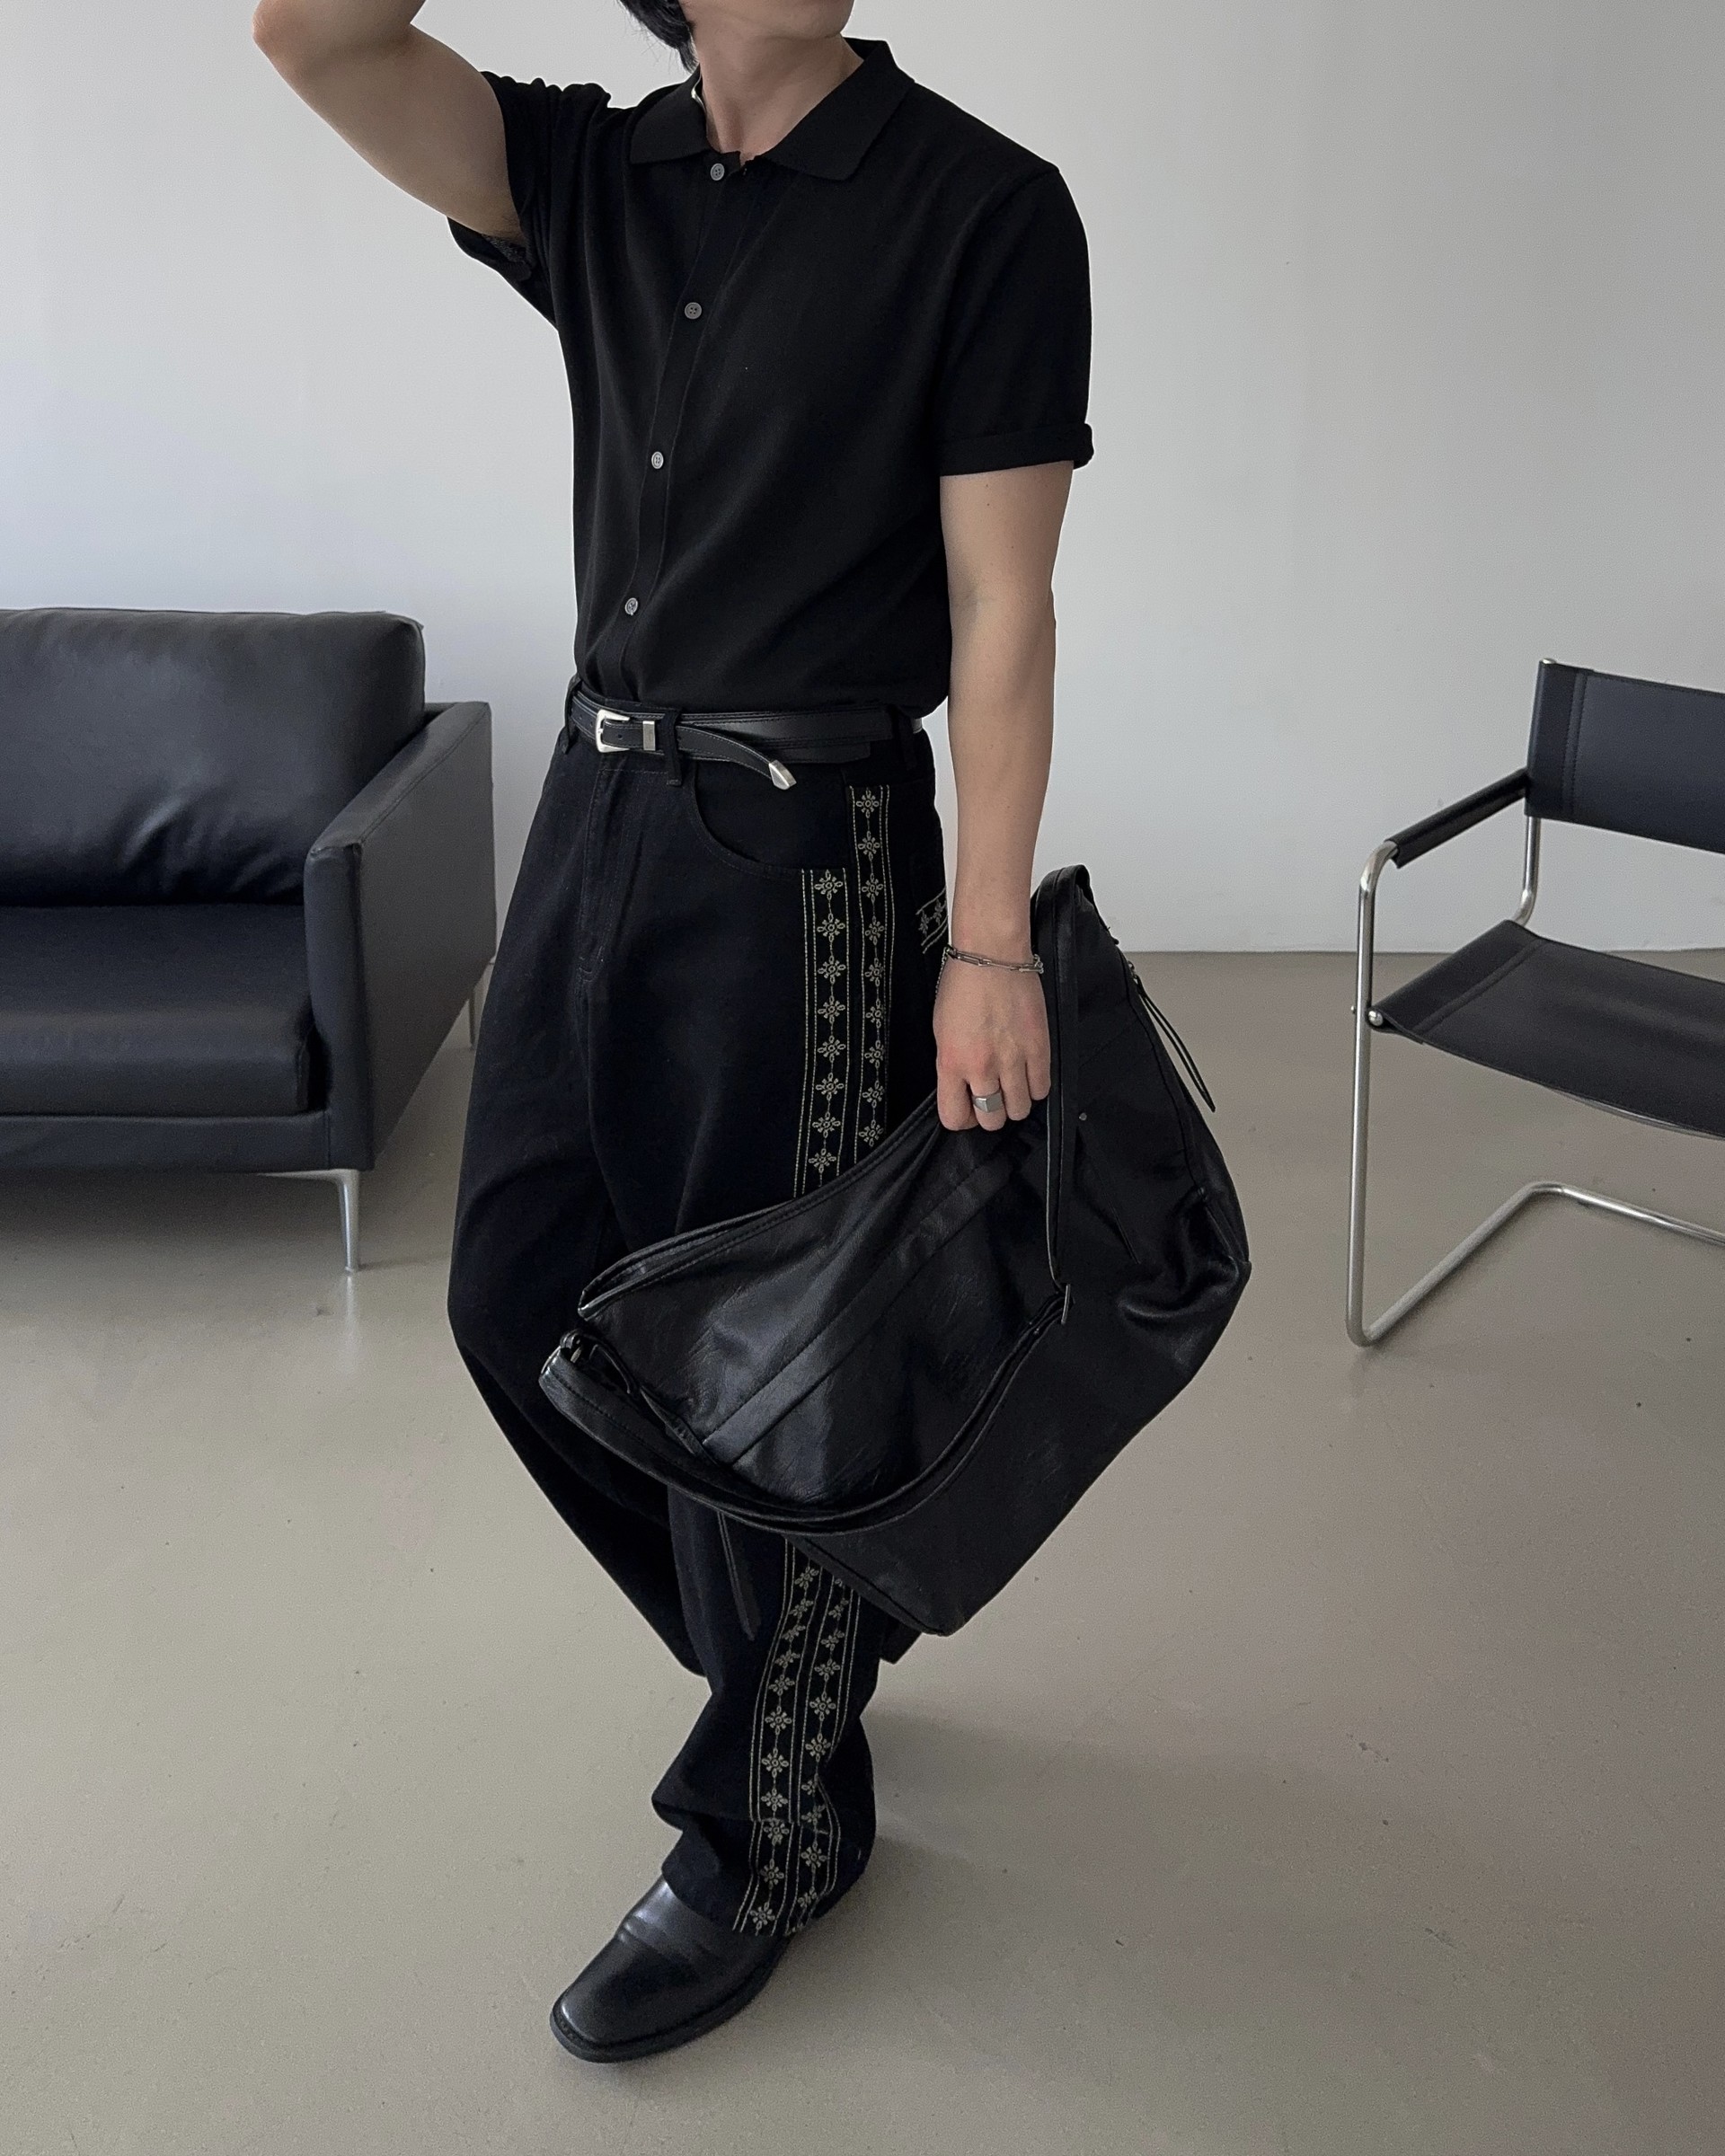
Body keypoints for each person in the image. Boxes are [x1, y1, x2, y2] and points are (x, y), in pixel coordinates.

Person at [253, 0, 1092, 2062]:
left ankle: (769, 1828)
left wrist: (989, 942)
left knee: (763, 1373)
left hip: (810, 850)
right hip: (598, 808)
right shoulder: (590, 173)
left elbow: (1003, 605)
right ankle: (801, 1657)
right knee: (516, 1294)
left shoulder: (982, 207)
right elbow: (313, 35)